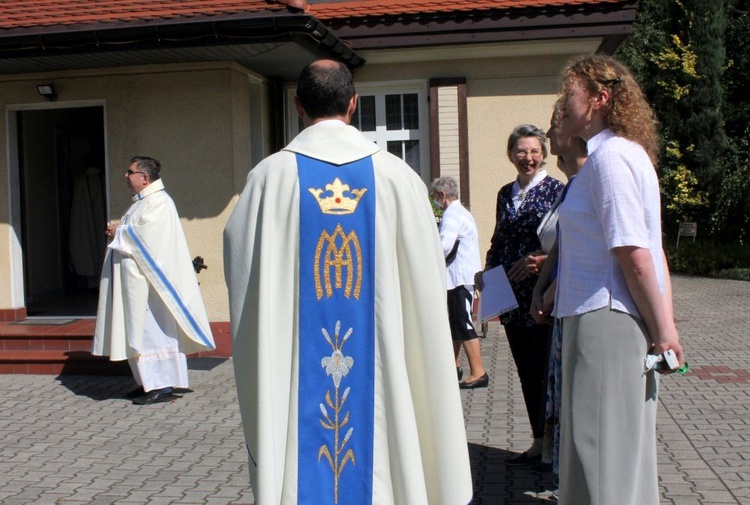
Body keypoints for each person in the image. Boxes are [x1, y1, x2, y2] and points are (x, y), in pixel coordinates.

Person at [224, 59, 473, 505]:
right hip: (383, 371)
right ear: (354, 104)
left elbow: (243, 268)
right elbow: (427, 282)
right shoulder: (400, 179)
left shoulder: (268, 179)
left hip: (302, 371)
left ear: (298, 106)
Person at [551, 54, 684, 505]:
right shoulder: (626, 155)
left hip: (604, 319)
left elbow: (635, 253)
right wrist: (664, 323)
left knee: (600, 453)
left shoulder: (608, 159)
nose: (561, 103)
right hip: (606, 315)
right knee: (617, 452)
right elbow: (651, 250)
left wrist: (665, 331)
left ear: (600, 99)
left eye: (569, 93)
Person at [93, 156, 215, 405]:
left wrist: (121, 231)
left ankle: (162, 386)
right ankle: (147, 383)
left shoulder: (159, 202)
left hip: (151, 287)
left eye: (130, 172)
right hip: (135, 282)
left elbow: (151, 238)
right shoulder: (142, 203)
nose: (126, 176)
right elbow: (136, 231)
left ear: (145, 178)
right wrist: (120, 229)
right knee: (138, 332)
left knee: (152, 333)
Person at [475, 124, 564, 466]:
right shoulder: (504, 193)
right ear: (511, 154)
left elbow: (564, 241)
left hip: (540, 295)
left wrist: (544, 263)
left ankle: (554, 444)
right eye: (521, 151)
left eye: (534, 151)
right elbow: (499, 239)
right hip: (506, 292)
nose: (528, 157)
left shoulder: (556, 190)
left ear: (543, 155)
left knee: (545, 369)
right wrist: (484, 271)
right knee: (526, 370)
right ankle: (538, 441)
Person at [529, 101, 588, 487]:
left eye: (555, 127)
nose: (549, 137)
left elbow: (583, 251)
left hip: (580, 301)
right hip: (560, 301)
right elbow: (559, 247)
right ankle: (565, 477)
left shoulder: (590, 181)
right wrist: (540, 288)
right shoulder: (570, 188)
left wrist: (549, 290)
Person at [430, 176, 487, 389]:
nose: (436, 201)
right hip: (459, 278)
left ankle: (478, 371)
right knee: (455, 324)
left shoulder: (452, 215)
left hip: (459, 278)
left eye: (436, 197)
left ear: (442, 195)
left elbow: (444, 245)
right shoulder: (462, 212)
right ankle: (453, 367)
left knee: (463, 324)